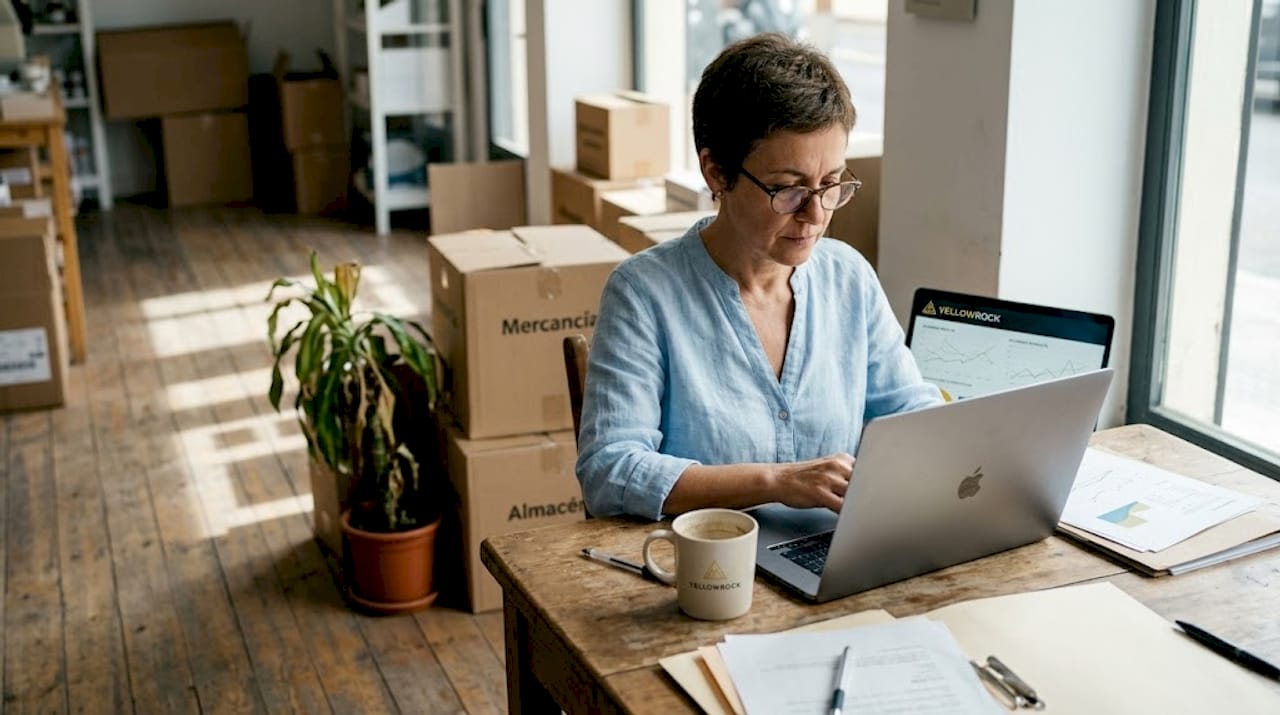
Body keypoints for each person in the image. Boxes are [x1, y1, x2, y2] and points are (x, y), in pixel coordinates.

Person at [576, 33, 942, 521]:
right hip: (711, 570)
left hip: (839, 552)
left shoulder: (848, 278)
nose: (816, 215)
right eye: (788, 189)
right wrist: (778, 482)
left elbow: (907, 413)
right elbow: (610, 471)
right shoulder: (644, 294)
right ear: (716, 172)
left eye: (832, 184)